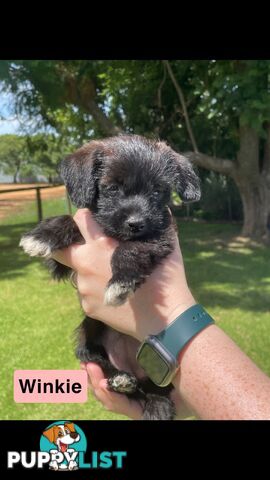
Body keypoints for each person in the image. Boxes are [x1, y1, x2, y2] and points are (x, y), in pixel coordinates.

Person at [53, 209, 270, 420]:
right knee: (92, 352)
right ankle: (135, 385)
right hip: (119, 361)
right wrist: (194, 399)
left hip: (152, 375)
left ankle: (150, 391)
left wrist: (168, 316)